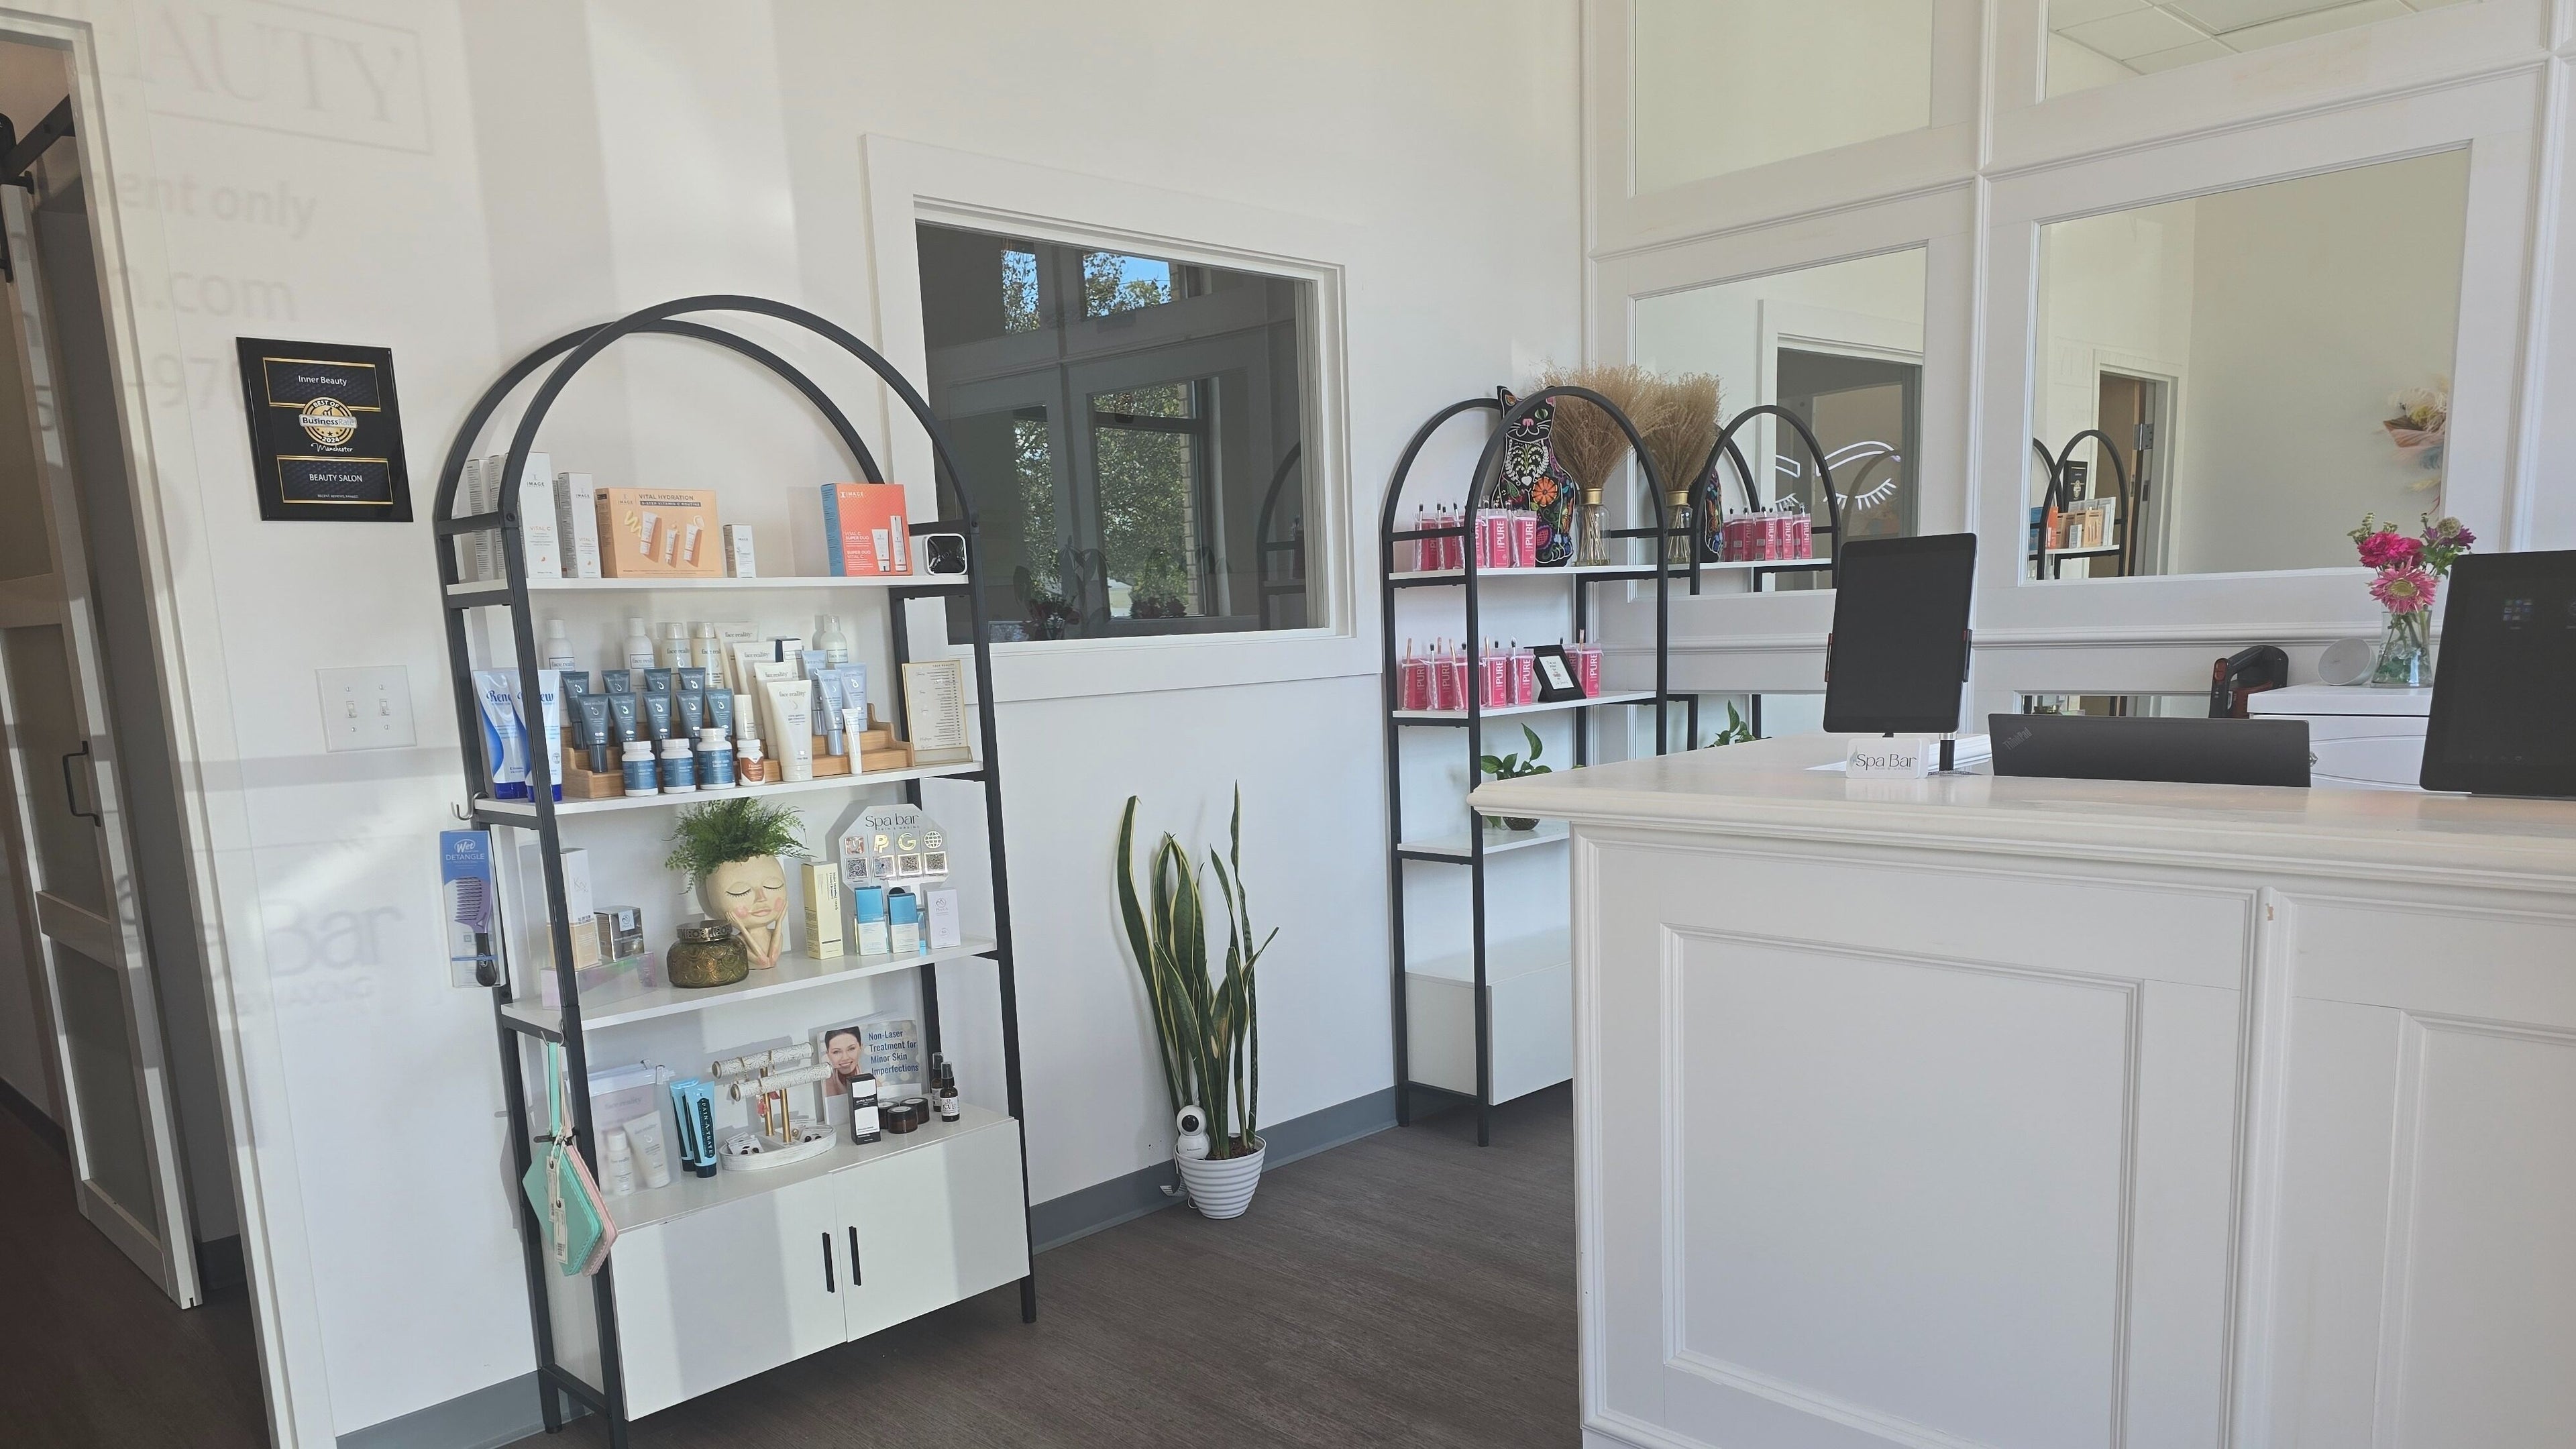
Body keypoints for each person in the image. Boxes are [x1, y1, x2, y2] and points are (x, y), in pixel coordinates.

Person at [820, 1026, 864, 1097]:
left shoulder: (876, 1085)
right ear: (828, 1054)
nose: (845, 1058)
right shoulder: (824, 1090)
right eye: (836, 1052)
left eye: (851, 1049)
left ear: (861, 1048)